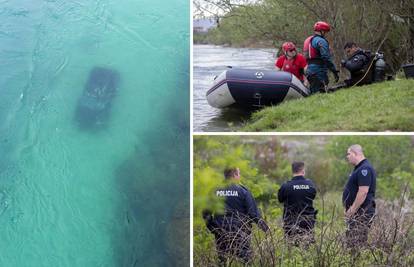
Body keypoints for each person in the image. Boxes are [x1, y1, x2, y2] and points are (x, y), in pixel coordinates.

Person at [203, 167, 269, 265]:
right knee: (246, 260)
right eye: (239, 174)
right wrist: (265, 228)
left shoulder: (215, 191)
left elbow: (206, 213)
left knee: (222, 261)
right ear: (234, 175)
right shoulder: (243, 191)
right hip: (240, 231)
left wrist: (213, 228)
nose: (239, 176)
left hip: (221, 231)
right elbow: (253, 213)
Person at [342, 144, 376, 247]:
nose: (347, 156)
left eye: (348, 154)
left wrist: (352, 209)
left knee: (356, 244)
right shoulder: (359, 168)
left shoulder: (364, 169)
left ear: (355, 153)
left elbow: (363, 192)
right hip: (357, 212)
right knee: (352, 243)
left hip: (361, 212)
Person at [277, 161, 317, 245]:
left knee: (292, 247)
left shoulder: (286, 186)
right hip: (307, 222)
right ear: (303, 171)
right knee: (307, 246)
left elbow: (280, 199)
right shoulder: (310, 184)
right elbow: (313, 196)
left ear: (293, 171)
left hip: (291, 222)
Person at [303, 21, 339, 94]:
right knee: (321, 92)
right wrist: (334, 71)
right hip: (319, 70)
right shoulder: (321, 41)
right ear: (322, 31)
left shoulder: (309, 40)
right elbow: (326, 57)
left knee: (313, 92)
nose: (326, 34)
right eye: (325, 32)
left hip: (309, 69)